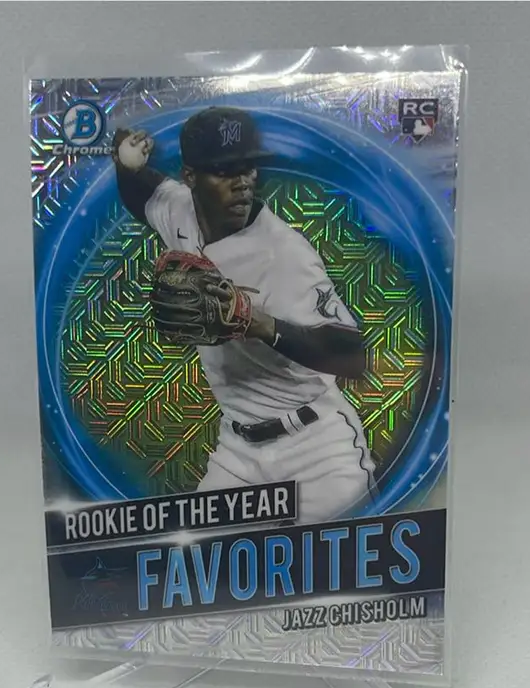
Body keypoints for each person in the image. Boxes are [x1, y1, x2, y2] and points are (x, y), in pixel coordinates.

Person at [112, 106, 376, 524]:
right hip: (237, 451)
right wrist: (124, 165)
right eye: (224, 171)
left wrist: (259, 323)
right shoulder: (181, 212)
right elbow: (143, 196)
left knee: (336, 559)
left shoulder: (285, 254)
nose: (242, 183)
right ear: (190, 177)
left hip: (316, 450)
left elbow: (354, 358)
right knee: (196, 556)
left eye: (248, 168)